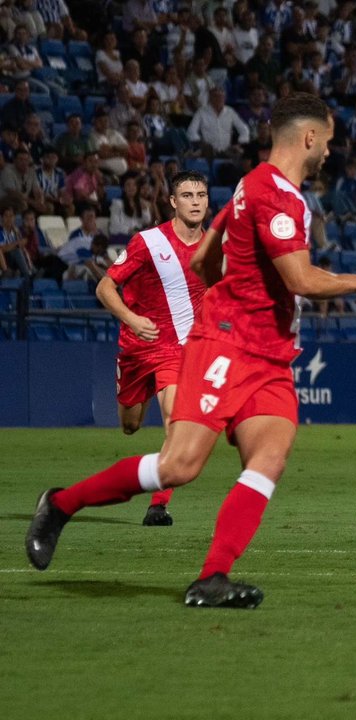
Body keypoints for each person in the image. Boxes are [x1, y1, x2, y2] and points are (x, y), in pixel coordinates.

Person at [26, 93, 356, 608]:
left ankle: (212, 577)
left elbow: (203, 261)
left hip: (271, 357)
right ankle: (59, 505)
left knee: (270, 457)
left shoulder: (248, 185)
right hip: (228, 347)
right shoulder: (278, 195)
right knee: (179, 466)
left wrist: (237, 286)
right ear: (308, 137)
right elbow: (301, 278)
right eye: (327, 141)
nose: (329, 151)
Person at [94, 171, 212, 526]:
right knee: (130, 426)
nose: (195, 201)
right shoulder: (148, 242)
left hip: (178, 350)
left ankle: (157, 505)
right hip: (137, 344)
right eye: (187, 195)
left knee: (177, 422)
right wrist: (131, 319)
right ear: (173, 202)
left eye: (201, 195)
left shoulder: (215, 248)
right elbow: (104, 288)